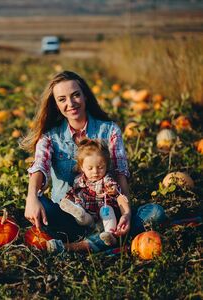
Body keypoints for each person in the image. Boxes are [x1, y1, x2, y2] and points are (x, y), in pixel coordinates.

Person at [21, 70, 166, 253]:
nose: (71, 103)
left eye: (75, 95)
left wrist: (127, 214)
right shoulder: (50, 137)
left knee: (155, 213)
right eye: (62, 99)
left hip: (108, 215)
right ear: (56, 105)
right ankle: (104, 241)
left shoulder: (110, 130)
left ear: (85, 96)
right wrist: (32, 197)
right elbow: (39, 166)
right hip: (69, 215)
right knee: (42, 205)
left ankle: (74, 246)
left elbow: (121, 173)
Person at [59, 138, 128, 247]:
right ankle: (79, 214)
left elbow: (113, 186)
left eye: (100, 167)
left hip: (102, 212)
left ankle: (110, 234)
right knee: (81, 213)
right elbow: (73, 192)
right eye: (90, 168)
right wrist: (68, 200)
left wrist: (113, 189)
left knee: (108, 211)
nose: (95, 171)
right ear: (82, 167)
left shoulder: (105, 179)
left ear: (106, 165)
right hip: (88, 214)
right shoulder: (79, 180)